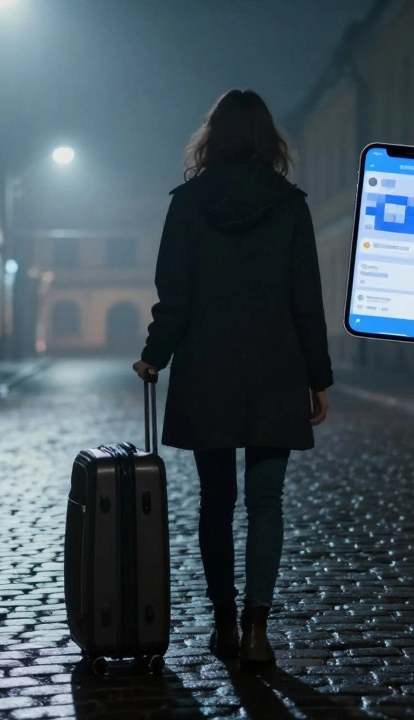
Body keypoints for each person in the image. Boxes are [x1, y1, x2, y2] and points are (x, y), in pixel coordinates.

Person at [132, 88, 333, 665]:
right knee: (266, 501)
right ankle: (256, 631)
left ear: (212, 137)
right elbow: (306, 301)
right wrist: (316, 376)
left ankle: (222, 625)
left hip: (207, 369)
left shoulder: (188, 204)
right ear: (269, 139)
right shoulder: (290, 205)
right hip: (276, 369)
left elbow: (176, 296)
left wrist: (156, 355)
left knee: (215, 504)